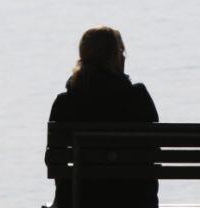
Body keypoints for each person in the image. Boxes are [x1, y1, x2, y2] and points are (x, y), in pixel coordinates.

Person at [46, 26, 159, 208]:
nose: (124, 57)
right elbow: (153, 150)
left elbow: (53, 161)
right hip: (136, 201)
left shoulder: (65, 103)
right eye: (121, 51)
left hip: (78, 201)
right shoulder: (138, 98)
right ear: (114, 56)